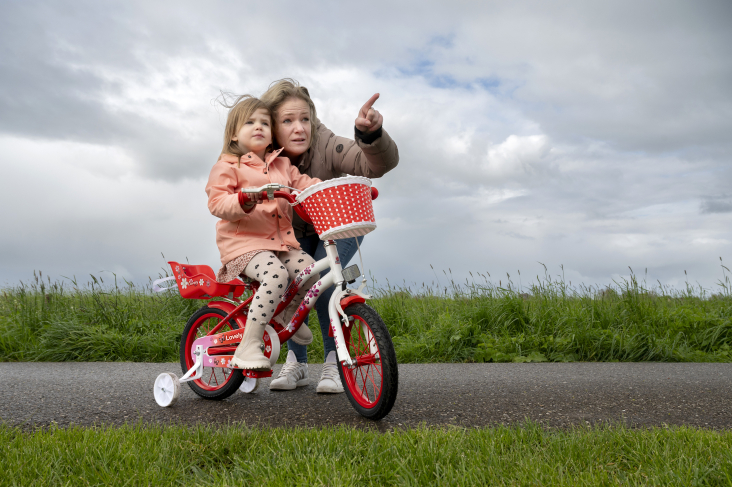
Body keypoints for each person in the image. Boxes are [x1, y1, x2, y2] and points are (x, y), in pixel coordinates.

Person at [261, 79, 399, 392]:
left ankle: (333, 362)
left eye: (305, 119)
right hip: (293, 233)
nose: (299, 128)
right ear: (272, 126)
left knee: (325, 286)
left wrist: (370, 135)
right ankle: (295, 363)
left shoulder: (327, 144)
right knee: (290, 286)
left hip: (336, 225)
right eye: (288, 121)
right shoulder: (263, 155)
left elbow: (374, 165)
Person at [205, 95, 322, 370]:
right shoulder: (228, 166)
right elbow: (217, 203)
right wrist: (244, 200)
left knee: (312, 272)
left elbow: (305, 184)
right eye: (250, 122)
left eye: (265, 123)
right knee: (276, 275)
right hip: (244, 246)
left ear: (271, 135)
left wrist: (326, 190)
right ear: (234, 133)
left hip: (280, 245)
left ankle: (286, 318)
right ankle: (248, 345)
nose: (258, 127)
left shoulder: (282, 165)